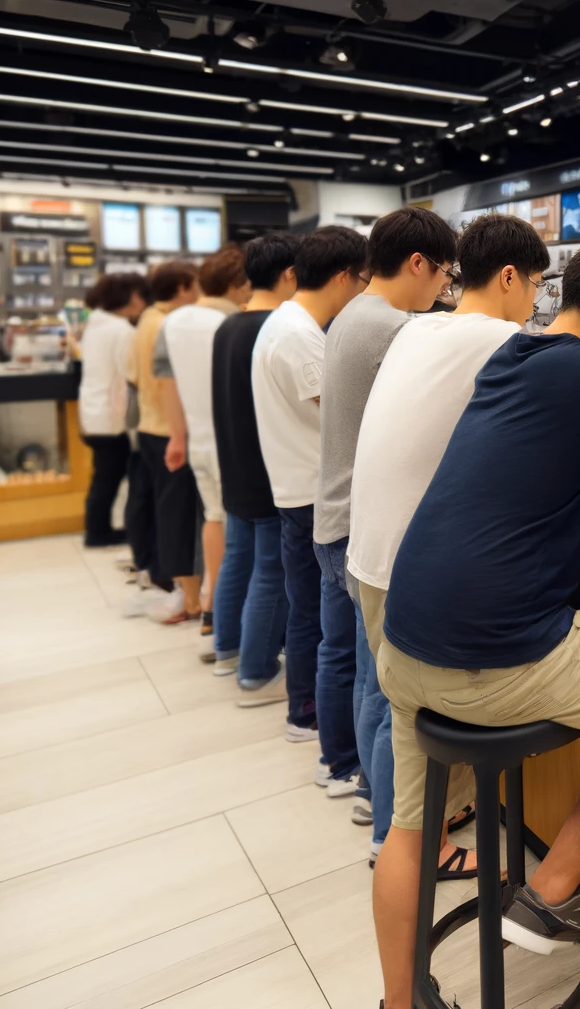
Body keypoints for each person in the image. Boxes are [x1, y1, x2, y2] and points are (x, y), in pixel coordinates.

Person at [371, 237, 580, 1009]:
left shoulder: (511, 356)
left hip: (406, 641)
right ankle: (555, 888)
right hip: (502, 658)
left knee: (408, 829)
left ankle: (399, 1002)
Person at [348, 213, 546, 867]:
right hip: (414, 574)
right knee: (414, 726)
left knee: (391, 701)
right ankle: (411, 844)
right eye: (537, 285)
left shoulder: (419, 329)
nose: (539, 302)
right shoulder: (502, 339)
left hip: (370, 556)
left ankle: (410, 824)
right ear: (511, 276)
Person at [313, 207, 457, 803]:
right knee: (387, 687)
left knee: (368, 676)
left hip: (336, 519)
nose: (446, 289)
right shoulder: (393, 329)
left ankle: (369, 788)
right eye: (446, 274)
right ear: (417, 263)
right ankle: (386, 819)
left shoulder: (356, 312)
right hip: (362, 526)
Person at [249, 226, 368, 772]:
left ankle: (312, 722)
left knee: (314, 619)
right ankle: (319, 730)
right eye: (363, 279)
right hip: (312, 495)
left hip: (298, 487)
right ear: (344, 276)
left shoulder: (288, 324)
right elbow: (340, 415)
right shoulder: (299, 335)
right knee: (325, 627)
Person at [209, 234, 301, 727]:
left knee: (236, 561)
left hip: (235, 464)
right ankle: (257, 671)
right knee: (271, 572)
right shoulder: (278, 327)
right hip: (267, 469)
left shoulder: (231, 324)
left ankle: (228, 649)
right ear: (289, 273)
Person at [156, 244, 253, 659]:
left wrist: (177, 436)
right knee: (246, 532)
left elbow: (166, 381)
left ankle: (212, 609)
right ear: (236, 284)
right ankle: (231, 616)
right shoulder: (235, 322)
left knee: (213, 519)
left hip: (197, 437)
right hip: (237, 442)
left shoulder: (174, 321)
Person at [125, 261, 201, 619]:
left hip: (152, 428)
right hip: (170, 431)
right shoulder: (168, 324)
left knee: (163, 510)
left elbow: (134, 375)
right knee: (177, 517)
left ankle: (176, 587)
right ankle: (187, 597)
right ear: (184, 287)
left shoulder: (146, 320)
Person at [78, 272, 146, 548]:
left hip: (94, 412)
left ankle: (99, 529)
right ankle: (98, 533)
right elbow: (132, 373)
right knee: (109, 477)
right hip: (110, 414)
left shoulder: (94, 325)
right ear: (129, 297)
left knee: (103, 476)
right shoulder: (122, 331)